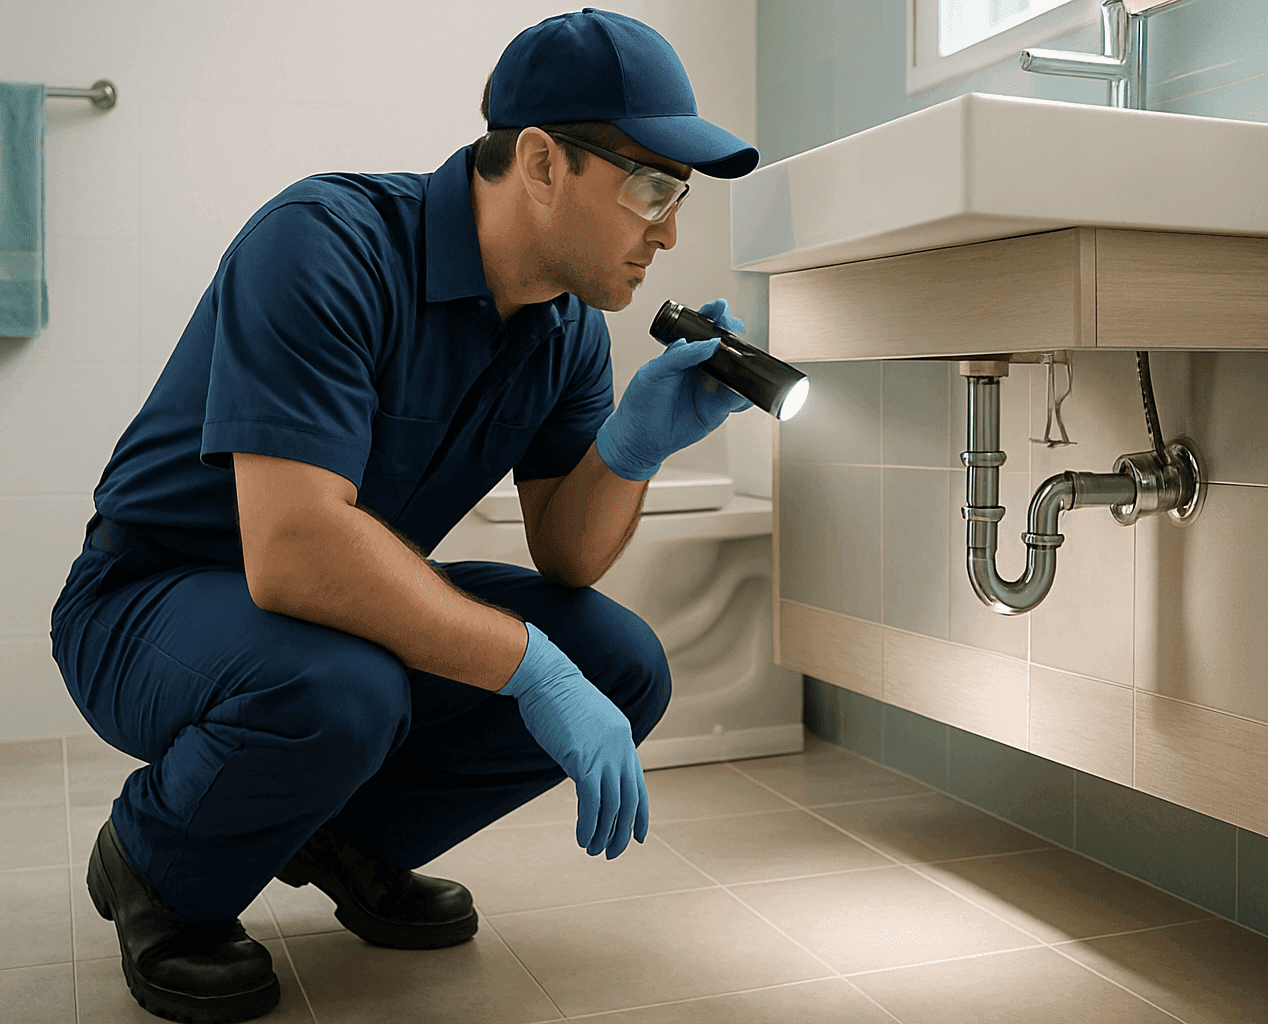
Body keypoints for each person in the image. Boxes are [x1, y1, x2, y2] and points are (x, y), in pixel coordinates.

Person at [48, 9, 759, 1024]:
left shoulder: (565, 329)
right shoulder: (327, 244)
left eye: (677, 193)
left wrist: (632, 448)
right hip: (148, 600)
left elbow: (566, 553)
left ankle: (343, 835)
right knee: (346, 687)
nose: (671, 228)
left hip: (327, 612)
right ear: (544, 161)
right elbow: (293, 552)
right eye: (651, 185)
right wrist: (530, 667)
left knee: (618, 659)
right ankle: (153, 865)